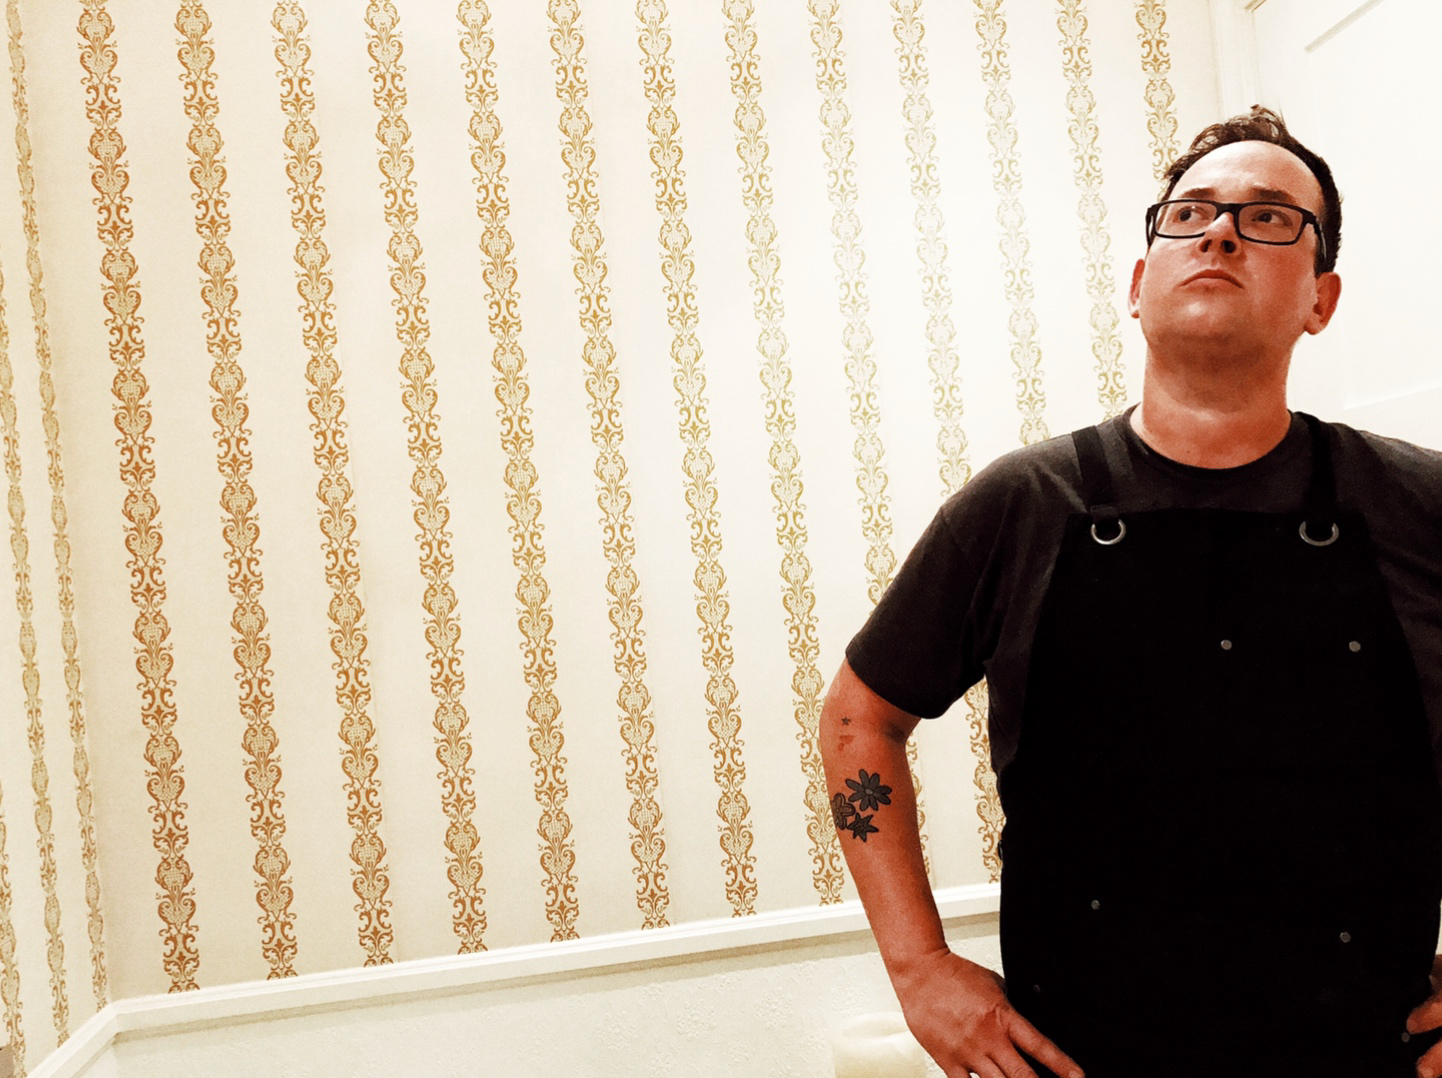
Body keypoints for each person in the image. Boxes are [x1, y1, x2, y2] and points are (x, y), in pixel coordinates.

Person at [820, 106, 1442, 1078]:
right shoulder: (1018, 505)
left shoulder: (1418, 503)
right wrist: (918, 968)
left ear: (1319, 299)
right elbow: (858, 718)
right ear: (1137, 284)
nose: (1220, 232)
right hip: (1079, 1057)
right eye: (1189, 214)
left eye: (1268, 216)